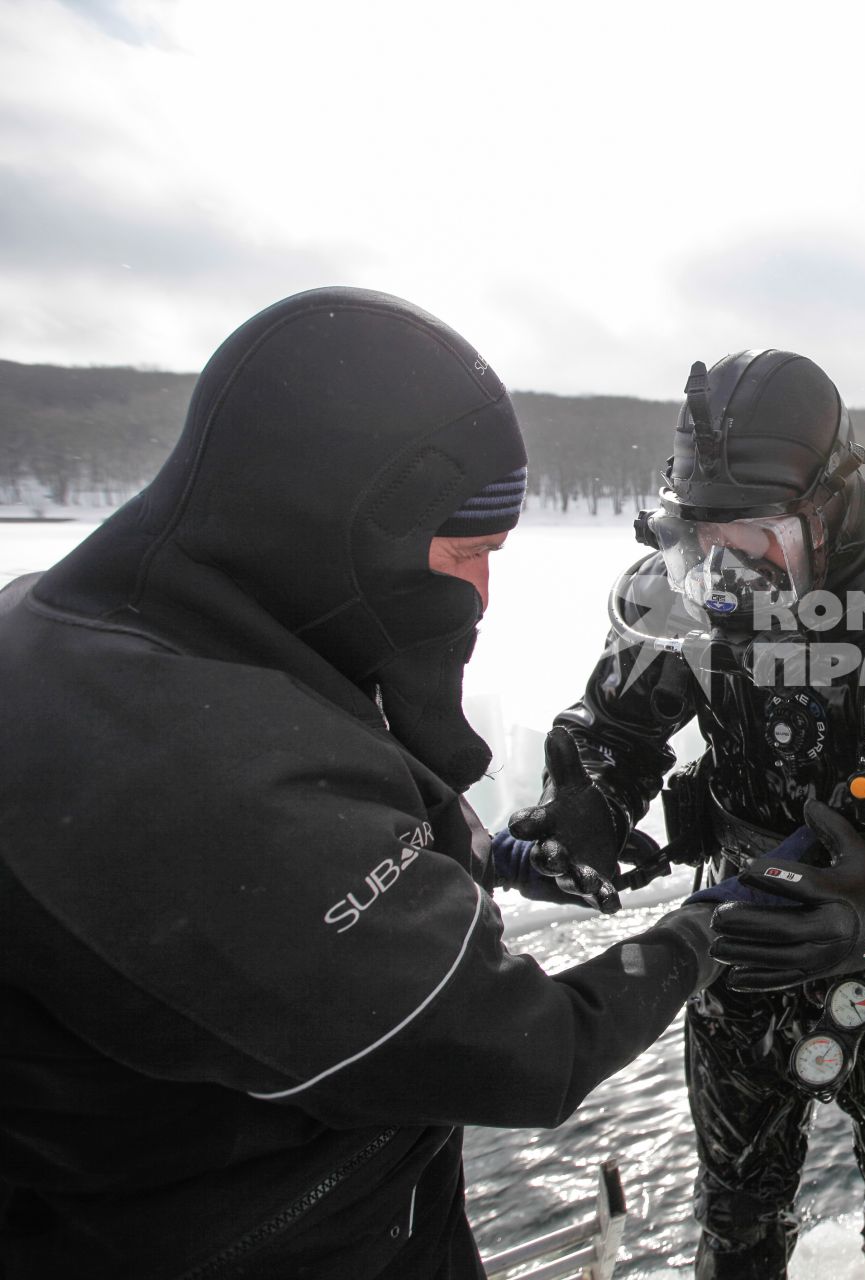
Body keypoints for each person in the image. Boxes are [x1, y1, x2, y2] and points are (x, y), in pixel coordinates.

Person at [0, 287, 725, 1279]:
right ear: (342, 529)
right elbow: (522, 1046)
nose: (479, 593)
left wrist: (499, 855)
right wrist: (702, 932)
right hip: (275, 1242)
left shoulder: (116, 631)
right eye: (468, 551)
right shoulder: (197, 778)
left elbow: (300, 874)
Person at [509, 348, 865, 1279]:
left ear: (826, 504)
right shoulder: (695, 589)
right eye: (694, 542)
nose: (721, 575)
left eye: (752, 541)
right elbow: (611, 726)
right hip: (741, 943)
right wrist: (586, 797)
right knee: (736, 1209)